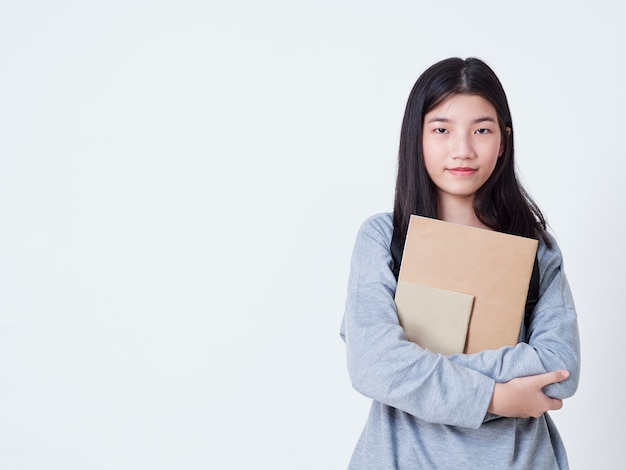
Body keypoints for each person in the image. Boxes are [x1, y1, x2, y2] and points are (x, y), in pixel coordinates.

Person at [340, 57, 580, 469]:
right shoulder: (384, 239)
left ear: (503, 140)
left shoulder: (536, 249)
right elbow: (373, 364)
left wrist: (416, 364)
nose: (463, 149)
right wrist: (494, 397)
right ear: (417, 138)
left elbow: (559, 368)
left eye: (482, 130)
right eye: (442, 129)